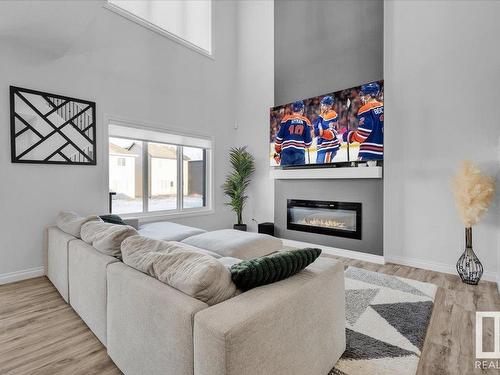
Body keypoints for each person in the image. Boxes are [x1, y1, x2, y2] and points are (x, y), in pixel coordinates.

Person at [343, 82, 384, 160]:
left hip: (369, 152)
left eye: (363, 95)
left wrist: (349, 136)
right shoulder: (384, 106)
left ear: (368, 96)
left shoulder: (366, 109)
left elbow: (362, 135)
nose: (361, 97)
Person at [274, 100, 312, 166]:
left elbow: (279, 139)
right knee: (298, 175)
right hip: (299, 153)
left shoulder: (286, 119)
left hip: (286, 153)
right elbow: (308, 143)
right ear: (302, 109)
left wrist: (278, 152)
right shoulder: (306, 121)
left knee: (285, 175)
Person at [313, 95, 340, 164]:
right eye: (322, 104)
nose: (322, 106)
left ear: (330, 106)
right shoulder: (323, 114)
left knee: (323, 170)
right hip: (322, 146)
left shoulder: (331, 114)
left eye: (324, 105)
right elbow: (316, 127)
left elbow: (326, 131)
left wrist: (318, 131)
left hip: (328, 146)